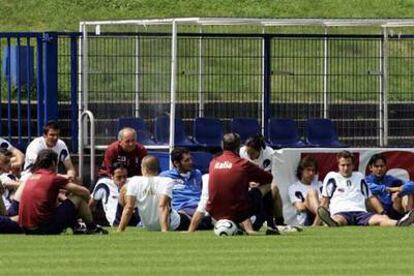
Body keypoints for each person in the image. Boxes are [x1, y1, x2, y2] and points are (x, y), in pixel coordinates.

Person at [18, 149, 107, 235]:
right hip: (44, 228)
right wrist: (91, 206)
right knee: (78, 196)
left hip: (26, 229)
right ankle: (92, 228)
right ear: (53, 163)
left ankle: (76, 226)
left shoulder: (31, 177)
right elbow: (84, 192)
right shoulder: (53, 178)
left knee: (65, 203)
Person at [317, 151, 414, 227]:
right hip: (341, 212)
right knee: (338, 220)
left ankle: (400, 223)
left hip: (360, 213)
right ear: (338, 165)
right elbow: (325, 201)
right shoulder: (331, 177)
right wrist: (316, 223)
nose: (346, 168)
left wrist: (383, 213)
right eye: (343, 165)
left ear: (353, 165)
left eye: (348, 165)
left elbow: (370, 197)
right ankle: (332, 223)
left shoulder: (359, 176)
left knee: (381, 220)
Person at [207, 132, 278, 235]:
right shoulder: (243, 164)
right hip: (237, 210)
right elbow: (269, 178)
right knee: (267, 186)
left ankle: (238, 226)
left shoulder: (213, 162)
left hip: (214, 212)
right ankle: (271, 226)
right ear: (239, 146)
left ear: (222, 145)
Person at [117, 155, 190, 232]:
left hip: (149, 226)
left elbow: (128, 207)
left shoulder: (134, 181)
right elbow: (163, 206)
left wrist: (120, 230)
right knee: (198, 222)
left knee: (185, 216)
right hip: (174, 224)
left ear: (143, 168)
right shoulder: (167, 181)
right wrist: (164, 230)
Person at [240, 134, 294, 232]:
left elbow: (268, 177)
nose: (249, 155)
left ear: (259, 150)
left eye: (252, 153)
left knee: (274, 188)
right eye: (247, 152)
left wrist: (257, 183)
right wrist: (248, 183)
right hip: (245, 184)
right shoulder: (241, 153)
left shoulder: (269, 154)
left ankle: (279, 221)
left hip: (261, 183)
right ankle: (263, 220)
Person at [160, 148, 212, 230]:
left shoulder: (197, 174)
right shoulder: (165, 176)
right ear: (176, 163)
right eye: (186, 160)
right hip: (180, 212)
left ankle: (197, 222)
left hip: (198, 211)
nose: (191, 162)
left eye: (191, 159)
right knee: (182, 219)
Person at [89, 162, 140, 227]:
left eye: (125, 177)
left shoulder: (133, 182)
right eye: (119, 177)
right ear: (112, 176)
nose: (122, 180)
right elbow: (92, 204)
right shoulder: (104, 184)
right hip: (116, 220)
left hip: (133, 217)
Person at [365, 153, 414, 220]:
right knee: (369, 196)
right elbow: (369, 188)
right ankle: (384, 215)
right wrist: (392, 189)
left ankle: (408, 216)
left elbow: (411, 185)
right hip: (376, 213)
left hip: (393, 209)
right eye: (376, 166)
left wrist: (399, 192)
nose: (379, 169)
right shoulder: (365, 180)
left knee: (408, 191)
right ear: (370, 167)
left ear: (385, 167)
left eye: (382, 166)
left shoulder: (390, 179)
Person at [288, 156, 322, 226]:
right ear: (301, 170)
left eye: (313, 170)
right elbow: (300, 207)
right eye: (308, 170)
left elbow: (327, 202)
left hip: (316, 217)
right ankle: (321, 217)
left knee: (313, 192)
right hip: (306, 218)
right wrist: (309, 201)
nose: (311, 173)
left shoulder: (320, 185)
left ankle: (319, 220)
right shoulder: (294, 188)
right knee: (312, 192)